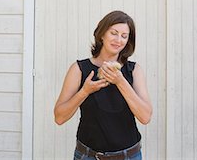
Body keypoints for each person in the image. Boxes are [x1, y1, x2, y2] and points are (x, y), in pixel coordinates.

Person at [54, 11, 152, 160]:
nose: (118, 40)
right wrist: (85, 91)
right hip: (88, 156)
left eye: (124, 36)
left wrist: (120, 82)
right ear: (102, 34)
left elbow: (145, 117)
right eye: (114, 33)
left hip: (129, 156)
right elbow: (59, 117)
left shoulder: (134, 71)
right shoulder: (79, 69)